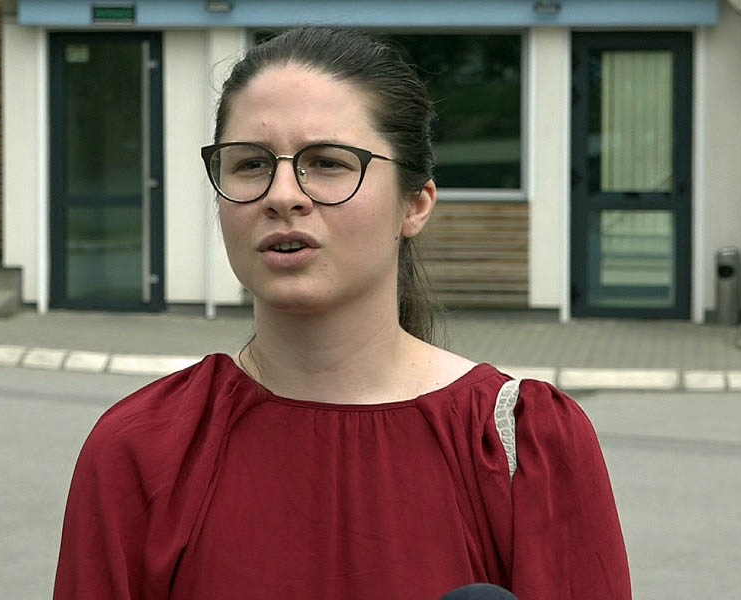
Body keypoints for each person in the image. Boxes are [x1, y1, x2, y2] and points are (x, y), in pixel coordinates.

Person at [53, 27, 631, 600]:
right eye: (250, 164)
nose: (283, 195)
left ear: (415, 204)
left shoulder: (521, 446)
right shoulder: (142, 451)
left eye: (327, 162)